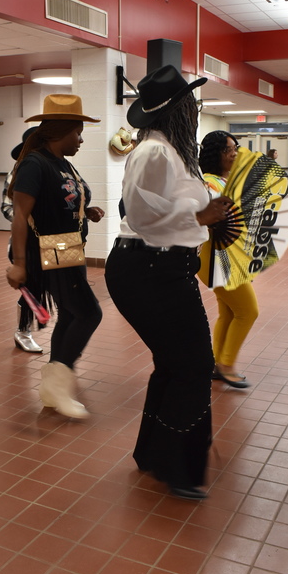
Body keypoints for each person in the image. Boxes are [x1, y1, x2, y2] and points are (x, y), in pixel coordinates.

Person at [105, 65, 233, 501]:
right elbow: (140, 215)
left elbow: (167, 208)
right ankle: (178, 466)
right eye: (191, 105)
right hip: (149, 269)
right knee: (194, 365)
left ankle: (157, 454)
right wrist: (200, 216)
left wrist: (210, 209)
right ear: (178, 110)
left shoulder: (172, 153)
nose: (196, 112)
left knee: (176, 363)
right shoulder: (154, 152)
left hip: (161, 267)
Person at [6, 94, 104, 419]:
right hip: (51, 247)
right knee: (89, 313)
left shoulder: (62, 161)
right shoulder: (36, 163)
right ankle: (58, 384)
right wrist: (19, 264)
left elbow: (59, 199)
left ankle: (53, 384)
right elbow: (21, 215)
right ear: (60, 130)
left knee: (73, 314)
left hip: (67, 244)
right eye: (77, 131)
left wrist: (84, 211)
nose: (81, 138)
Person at [197, 131, 256, 388]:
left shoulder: (225, 180)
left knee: (229, 312)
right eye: (230, 149)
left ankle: (216, 363)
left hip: (227, 254)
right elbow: (215, 220)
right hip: (217, 255)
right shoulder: (209, 184)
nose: (235, 153)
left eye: (236, 148)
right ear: (217, 153)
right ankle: (227, 365)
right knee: (248, 311)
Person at [2, 127, 43, 353]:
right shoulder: (19, 173)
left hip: (54, 243)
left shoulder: (56, 169)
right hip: (26, 243)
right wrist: (28, 218)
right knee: (33, 289)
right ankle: (23, 331)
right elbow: (9, 208)